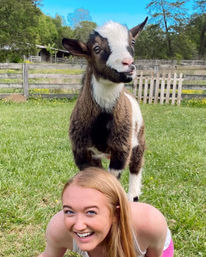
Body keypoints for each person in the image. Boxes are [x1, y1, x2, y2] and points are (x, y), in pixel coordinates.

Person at [38, 167, 174, 257]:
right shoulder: (59, 229)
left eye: (91, 212)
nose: (78, 225)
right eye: (69, 211)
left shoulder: (150, 223)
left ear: (116, 214)